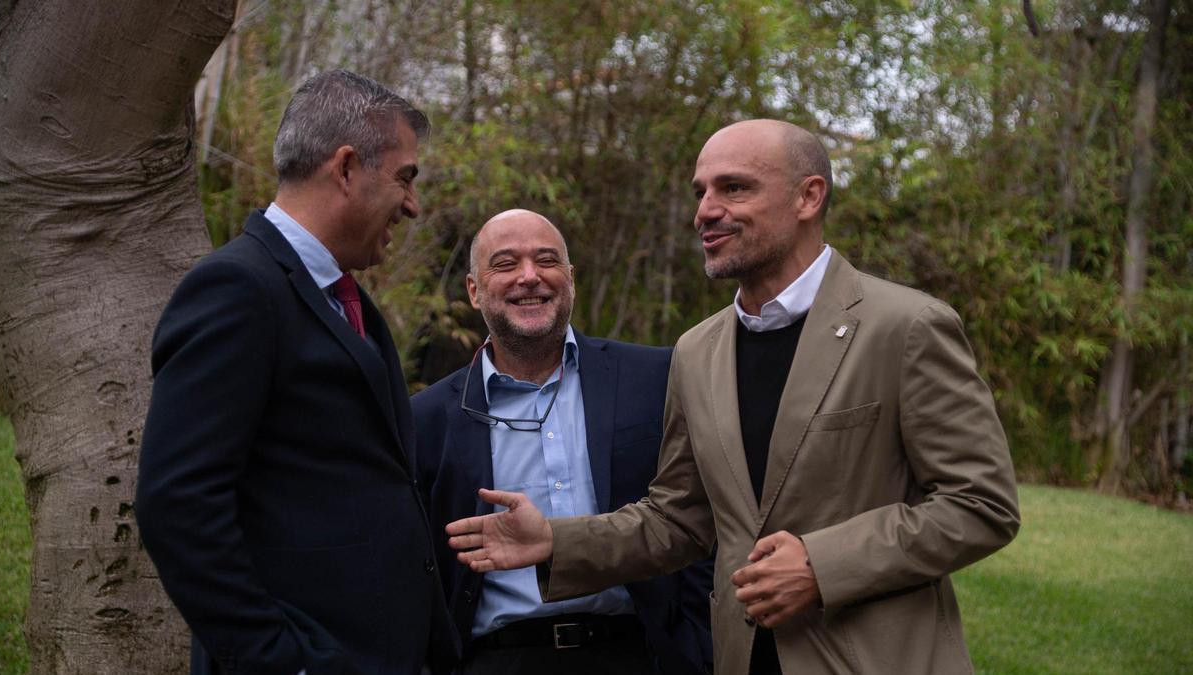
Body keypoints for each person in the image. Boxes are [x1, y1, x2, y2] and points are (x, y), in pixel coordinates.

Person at [444, 120, 1021, 674]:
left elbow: (981, 505)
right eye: (701, 193)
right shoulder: (698, 352)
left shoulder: (907, 326)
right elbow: (680, 520)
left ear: (808, 197)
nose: (705, 211)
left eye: (734, 188)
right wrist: (558, 541)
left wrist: (824, 565)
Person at [136, 70, 458, 675]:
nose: (413, 206)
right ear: (344, 168)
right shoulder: (236, 288)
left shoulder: (347, 301)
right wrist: (281, 662)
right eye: (404, 178)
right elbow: (177, 503)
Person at [411, 209, 713, 675]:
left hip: (641, 652)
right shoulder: (427, 417)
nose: (529, 277)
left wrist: (699, 646)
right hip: (497, 659)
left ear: (570, 279)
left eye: (546, 260)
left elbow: (699, 514)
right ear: (473, 290)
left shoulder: (656, 377)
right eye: (505, 264)